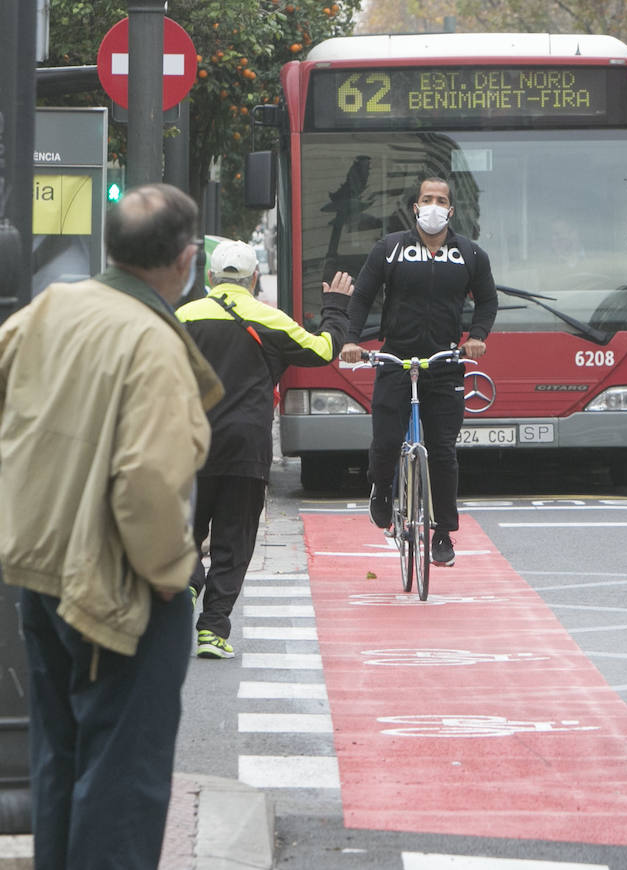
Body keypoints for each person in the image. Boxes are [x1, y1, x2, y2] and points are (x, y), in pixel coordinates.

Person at [0, 184, 223, 868]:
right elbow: (149, 482)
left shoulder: (47, 311)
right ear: (186, 260)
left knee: (61, 764)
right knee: (123, 782)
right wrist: (168, 574)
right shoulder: (153, 342)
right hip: (118, 582)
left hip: (38, 567)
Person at [176, 240, 354, 658]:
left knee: (184, 531)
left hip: (190, 447)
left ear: (209, 278)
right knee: (234, 540)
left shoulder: (183, 317)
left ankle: (185, 582)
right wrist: (335, 307)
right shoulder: (270, 320)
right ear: (255, 280)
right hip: (246, 448)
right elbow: (325, 349)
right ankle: (213, 631)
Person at [339, 176, 499, 567]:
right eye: (426, 198)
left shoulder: (470, 255)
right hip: (396, 359)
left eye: (440, 200)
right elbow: (362, 296)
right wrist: (351, 340)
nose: (433, 205)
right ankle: (380, 490)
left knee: (443, 450)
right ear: (415, 207)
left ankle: (442, 533)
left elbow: (488, 302)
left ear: (451, 210)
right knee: (387, 438)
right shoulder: (390, 249)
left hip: (445, 364)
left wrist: (477, 336)